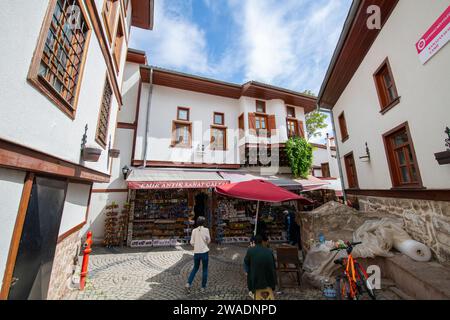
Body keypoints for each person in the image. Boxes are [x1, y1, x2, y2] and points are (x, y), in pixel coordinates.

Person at [244, 235, 277, 299]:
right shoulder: (269, 250)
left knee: (249, 270)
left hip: (256, 279)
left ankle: (252, 290)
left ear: (254, 242)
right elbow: (273, 264)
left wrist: (247, 271)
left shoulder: (250, 250)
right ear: (262, 242)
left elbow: (246, 262)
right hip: (270, 279)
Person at [185, 216, 210, 293]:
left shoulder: (194, 231)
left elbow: (191, 242)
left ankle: (188, 283)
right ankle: (203, 287)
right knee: (205, 269)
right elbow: (208, 240)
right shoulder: (206, 230)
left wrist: (196, 245)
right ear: (204, 223)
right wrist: (204, 243)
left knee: (195, 268)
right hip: (204, 252)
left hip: (196, 252)